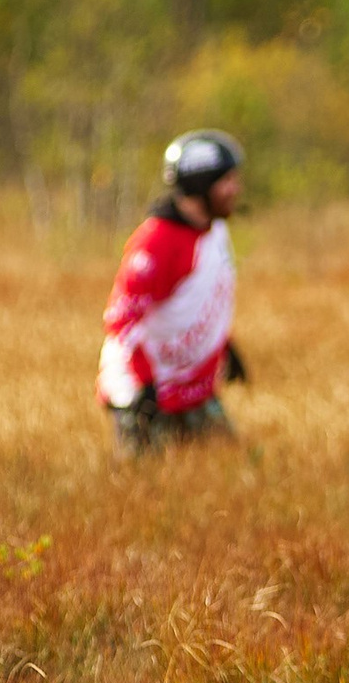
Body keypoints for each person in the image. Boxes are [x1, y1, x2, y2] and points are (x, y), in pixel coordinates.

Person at [97, 130, 249, 454]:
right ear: (200, 185)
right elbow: (122, 319)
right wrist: (146, 385)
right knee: (147, 494)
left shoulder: (215, 232)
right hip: (145, 394)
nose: (236, 189)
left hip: (193, 388)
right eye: (227, 181)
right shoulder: (156, 242)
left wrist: (223, 344)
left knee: (230, 471)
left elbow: (207, 297)